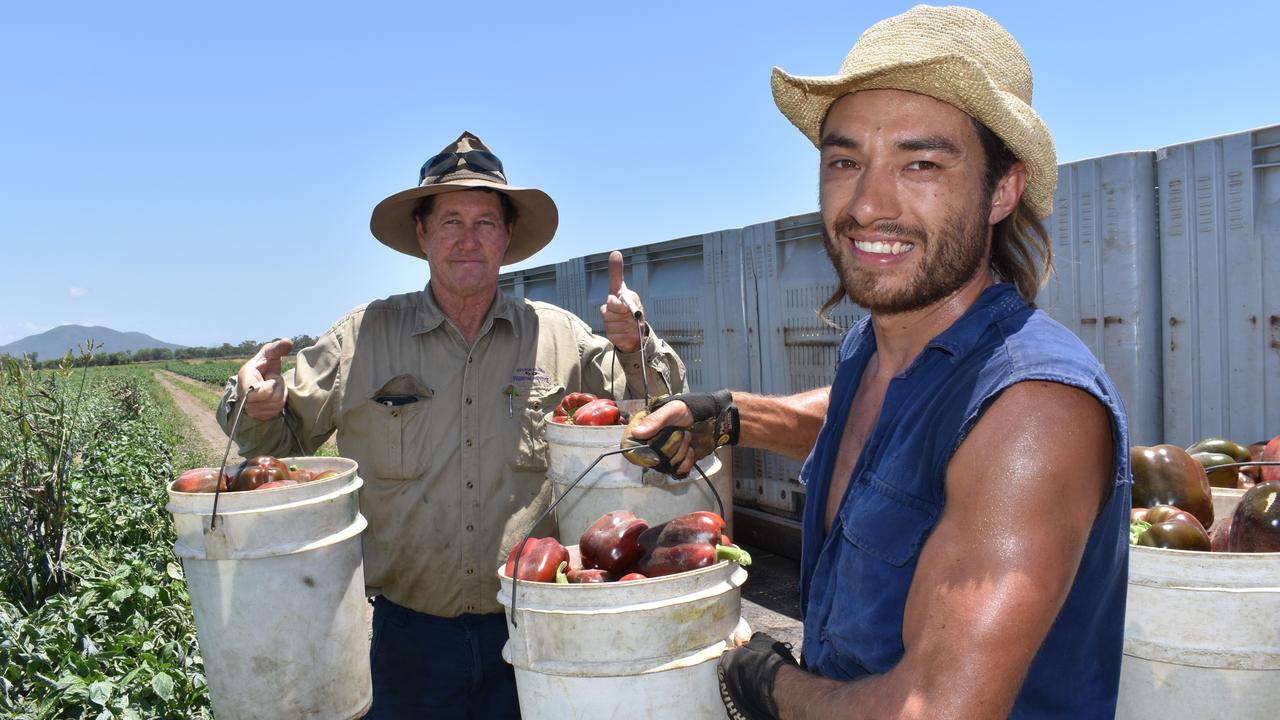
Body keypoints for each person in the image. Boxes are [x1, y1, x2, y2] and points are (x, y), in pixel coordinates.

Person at [629, 6, 1131, 718]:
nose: (867, 203)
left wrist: (767, 682)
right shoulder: (876, 347)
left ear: (1004, 188)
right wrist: (731, 417)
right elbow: (873, 430)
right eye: (845, 161)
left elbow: (934, 710)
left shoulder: (1033, 412)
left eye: (921, 162)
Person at [217, 131, 686, 719]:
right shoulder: (366, 338)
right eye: (451, 222)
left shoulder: (557, 335)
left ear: (508, 237)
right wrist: (256, 403)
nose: (469, 240)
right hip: (409, 638)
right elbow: (279, 443)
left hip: (534, 628)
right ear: (422, 234)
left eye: (486, 222)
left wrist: (634, 341)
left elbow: (658, 410)